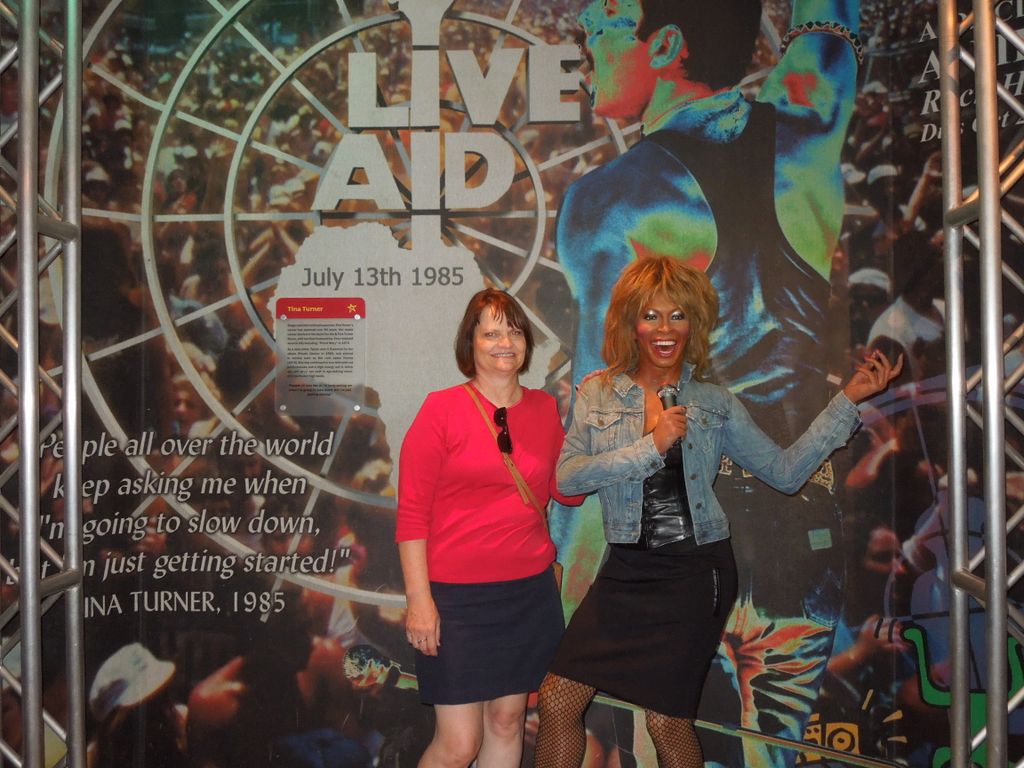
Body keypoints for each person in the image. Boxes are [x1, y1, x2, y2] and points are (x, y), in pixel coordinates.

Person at [553, 1, 865, 763]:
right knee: (766, 750)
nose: (588, 39)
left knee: (645, 733)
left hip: (673, 535)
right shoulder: (807, 130)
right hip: (798, 537)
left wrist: (575, 588)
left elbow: (610, 408)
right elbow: (827, 32)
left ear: (665, 43)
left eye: (604, 26)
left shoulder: (610, 198)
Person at [534, 257, 902, 768]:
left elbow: (785, 471)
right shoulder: (598, 392)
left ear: (695, 323)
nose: (665, 330)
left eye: (678, 316)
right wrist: (650, 445)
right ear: (630, 323)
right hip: (625, 571)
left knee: (666, 720)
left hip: (696, 574)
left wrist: (848, 401)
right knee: (557, 700)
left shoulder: (714, 402)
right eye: (651, 316)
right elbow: (568, 477)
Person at [395, 289, 584, 768]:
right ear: (471, 344)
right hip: (455, 600)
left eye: (515, 330)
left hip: (527, 593)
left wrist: (596, 426)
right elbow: (412, 514)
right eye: (492, 331)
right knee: (458, 744)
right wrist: (420, 601)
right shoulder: (441, 409)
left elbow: (568, 492)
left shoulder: (543, 408)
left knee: (506, 722)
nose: (505, 341)